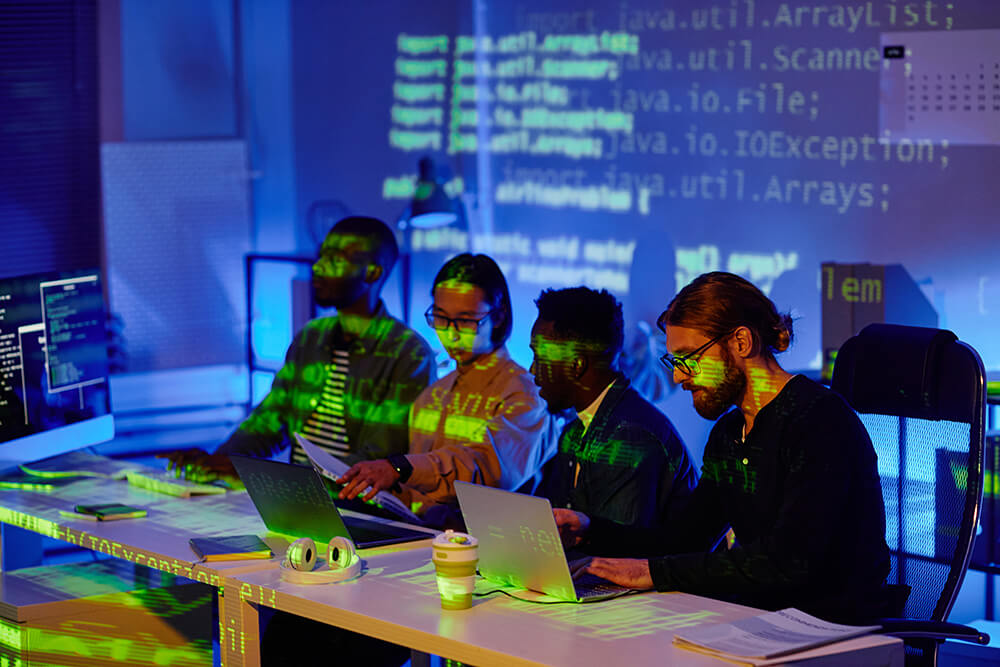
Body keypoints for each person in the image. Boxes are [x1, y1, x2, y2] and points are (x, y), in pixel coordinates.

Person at [559, 272, 890, 624]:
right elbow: (685, 540)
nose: (678, 377)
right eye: (674, 362)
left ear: (741, 342)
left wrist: (653, 573)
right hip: (763, 621)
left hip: (833, 632)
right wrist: (589, 529)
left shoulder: (819, 421)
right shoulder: (729, 434)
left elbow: (786, 561)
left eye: (688, 358)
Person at [162, 216, 435, 481]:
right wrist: (220, 462)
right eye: (322, 256)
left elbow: (380, 455)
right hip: (301, 496)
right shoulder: (312, 337)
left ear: (373, 272)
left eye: (336, 260)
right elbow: (272, 418)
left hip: (358, 505)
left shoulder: (408, 353)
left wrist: (269, 478)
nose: (318, 267)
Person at [337, 253, 555, 524]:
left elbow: (488, 469)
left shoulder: (524, 394)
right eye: (440, 318)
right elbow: (417, 492)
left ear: (498, 317)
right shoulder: (432, 395)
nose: (451, 334)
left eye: (465, 321)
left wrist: (400, 468)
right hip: (421, 540)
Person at [530, 286, 697, 541]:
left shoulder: (631, 436)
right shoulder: (573, 431)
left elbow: (618, 557)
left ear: (577, 365)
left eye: (540, 357)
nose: (532, 370)